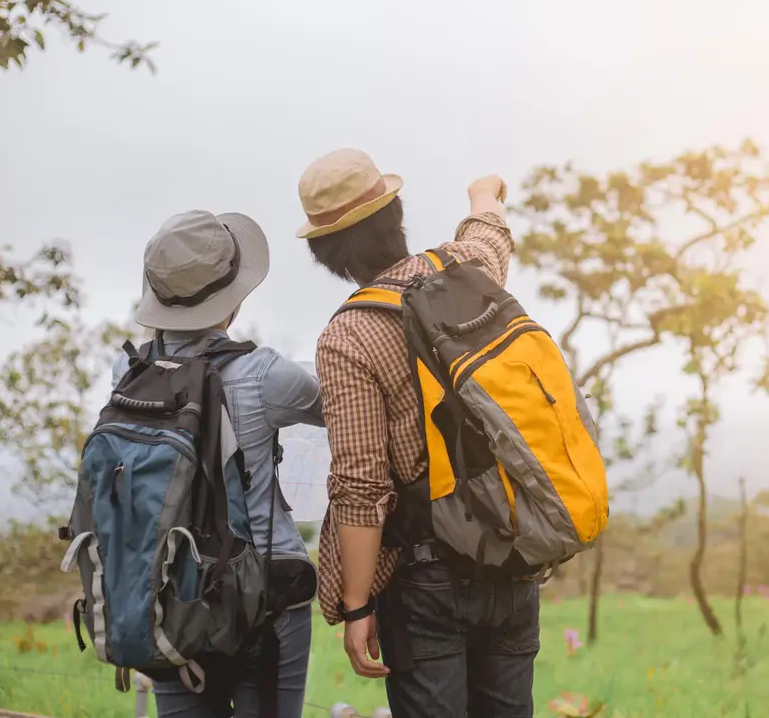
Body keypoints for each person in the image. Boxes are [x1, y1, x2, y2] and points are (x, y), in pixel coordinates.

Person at [299, 148, 537, 718]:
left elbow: (360, 485)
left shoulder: (349, 337)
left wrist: (356, 606)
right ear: (395, 214)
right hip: (511, 552)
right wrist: (483, 192)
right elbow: (491, 235)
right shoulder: (466, 270)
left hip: (425, 574)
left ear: (326, 253)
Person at [112, 209, 326, 718]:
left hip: (166, 594)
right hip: (264, 598)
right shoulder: (266, 375)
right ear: (231, 301)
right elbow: (344, 409)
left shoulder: (128, 370)